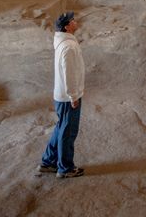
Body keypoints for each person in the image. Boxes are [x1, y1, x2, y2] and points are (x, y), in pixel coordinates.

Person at [37, 11, 85, 179]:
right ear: (67, 27)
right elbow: (69, 74)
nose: (75, 21)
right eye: (73, 20)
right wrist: (73, 96)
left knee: (61, 129)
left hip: (62, 96)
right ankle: (65, 168)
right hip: (67, 97)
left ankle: (48, 162)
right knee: (68, 132)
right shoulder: (69, 46)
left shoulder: (64, 42)